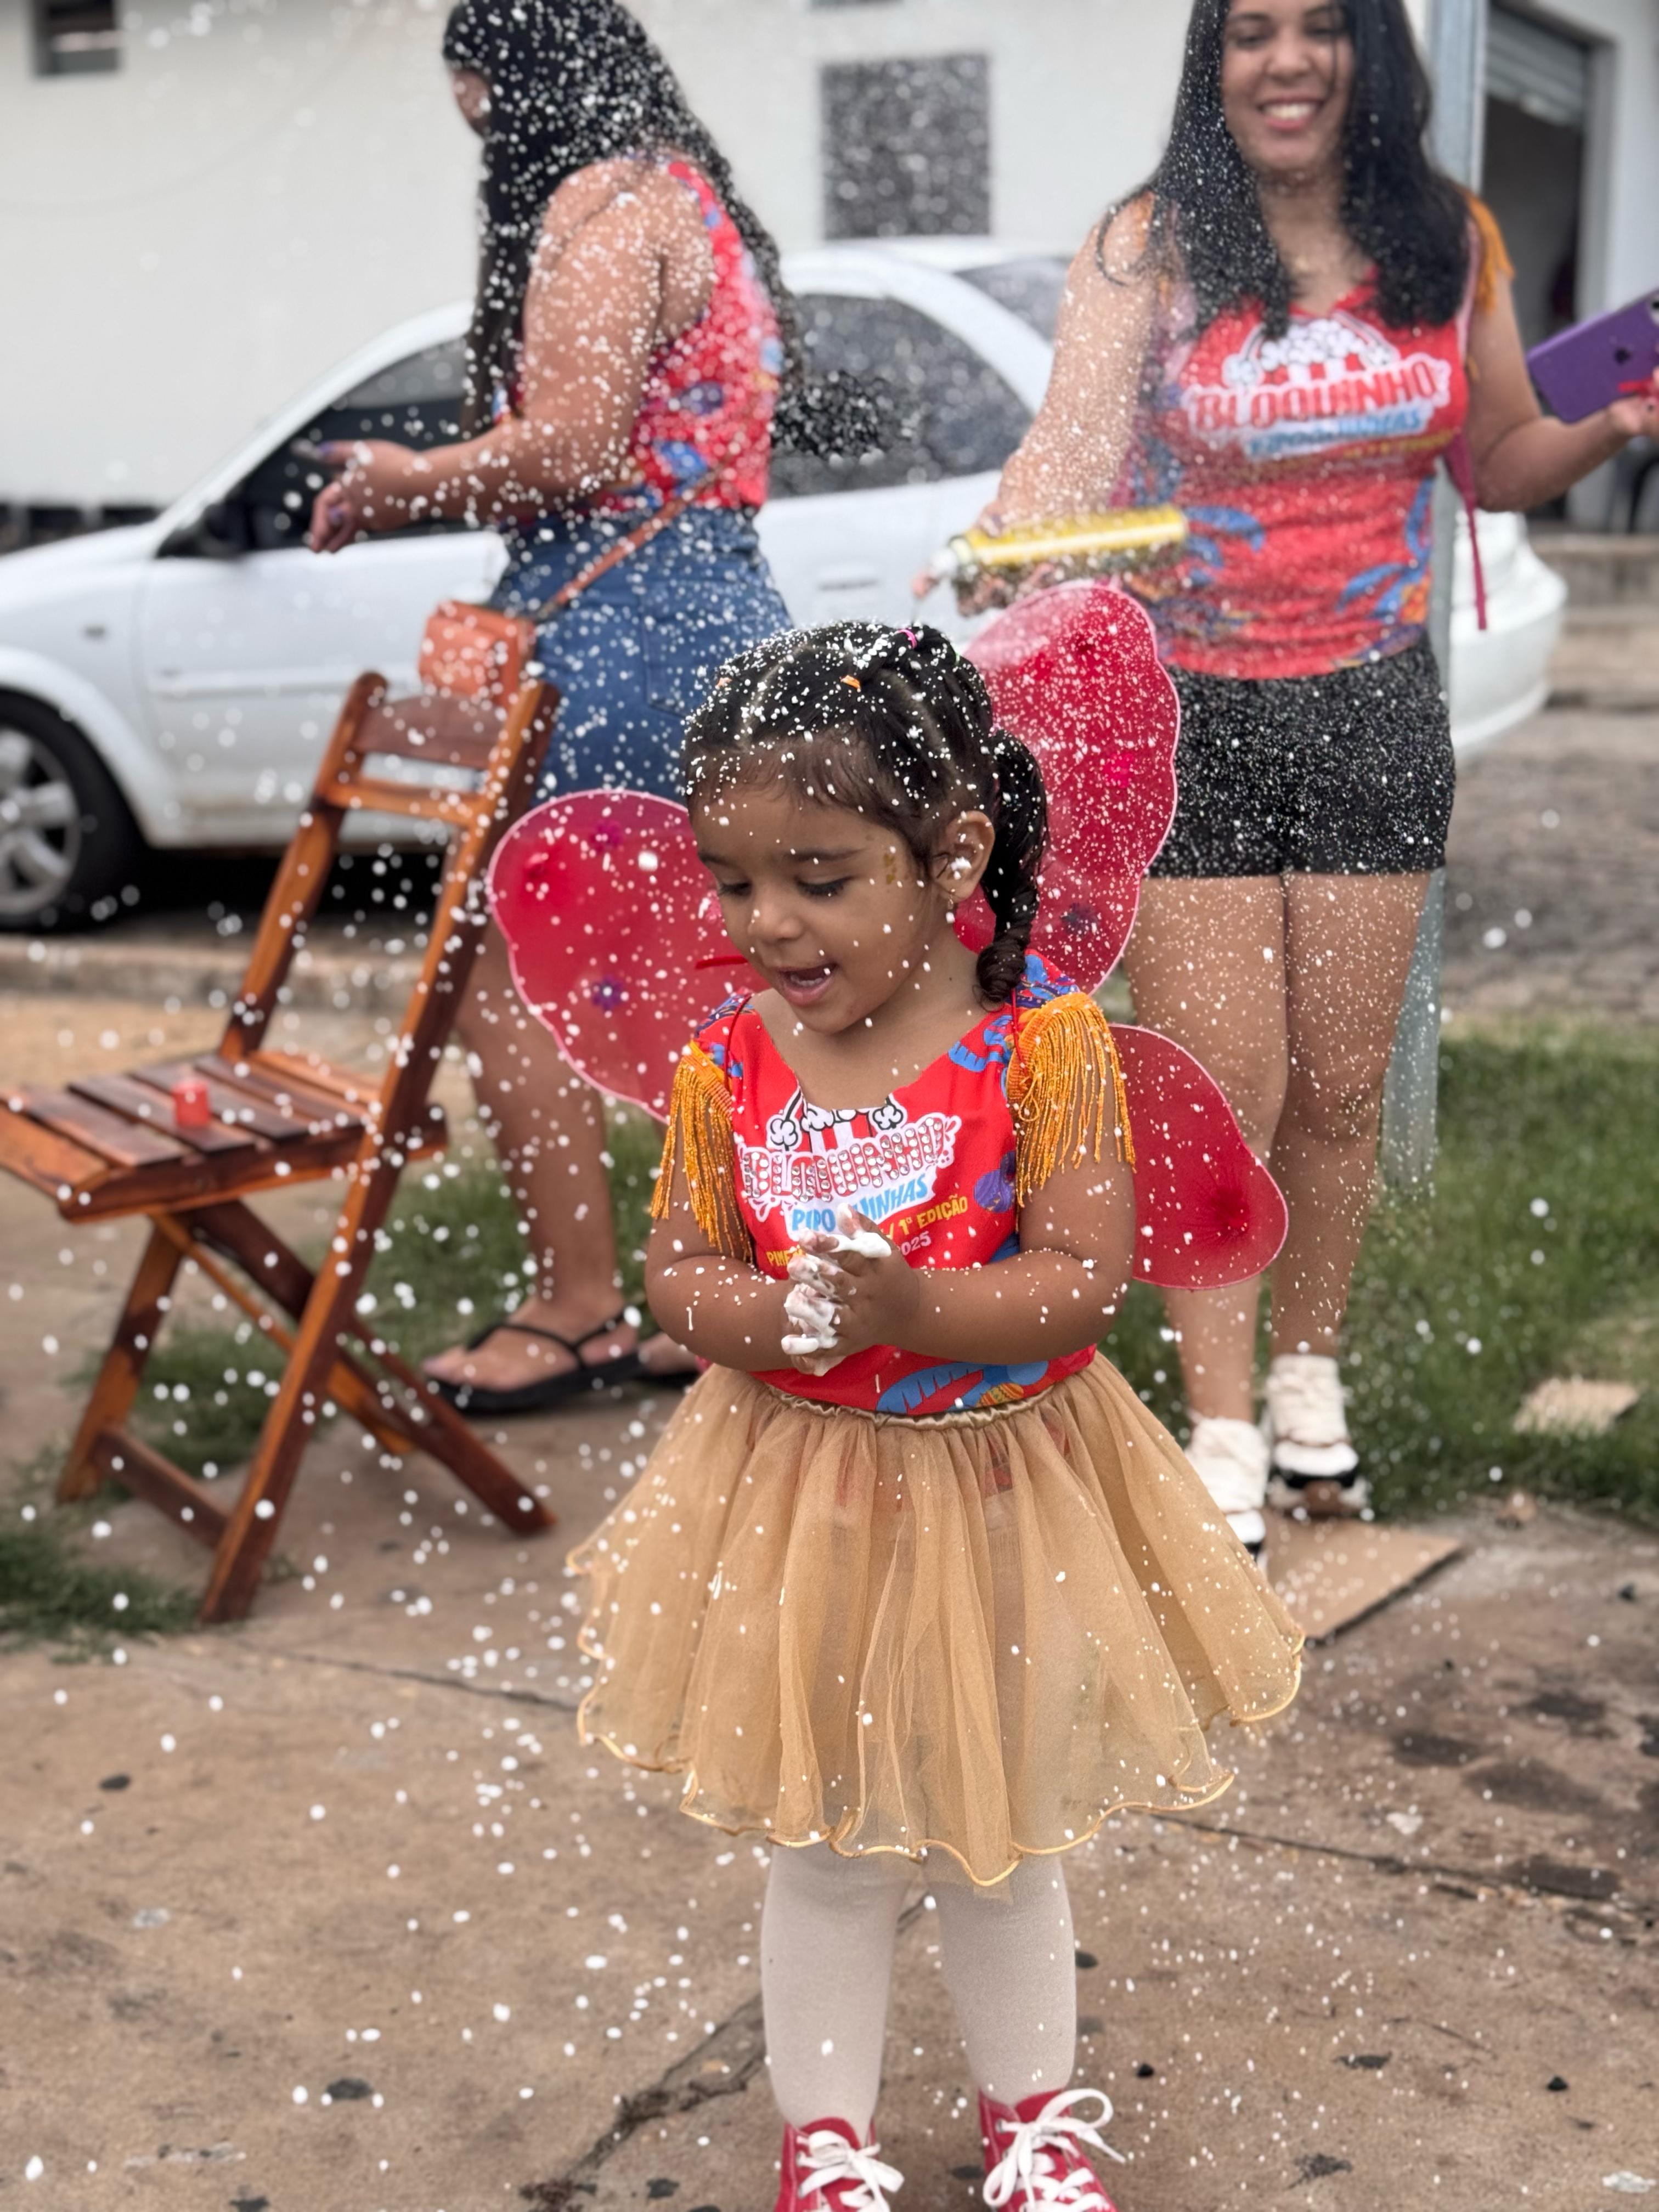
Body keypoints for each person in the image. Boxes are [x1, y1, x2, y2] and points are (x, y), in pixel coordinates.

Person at [566, 622, 1303, 2211]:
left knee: (1004, 1839)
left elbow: (1081, 1283)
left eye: (820, 879)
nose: (768, 922)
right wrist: (765, 1318)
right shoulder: (725, 1068)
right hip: (805, 1496)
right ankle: (823, 2141)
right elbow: (680, 1272)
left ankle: (1032, 2123)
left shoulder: (1041, 1045)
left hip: (1005, 1490)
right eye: (733, 880)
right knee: (827, 1846)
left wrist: (910, 1311)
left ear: (952, 854)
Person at [977, 0, 1659, 1548]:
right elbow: (1068, 452)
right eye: (1249, 33)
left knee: (1342, 1089)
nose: (1284, 61)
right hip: (1187, 717)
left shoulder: (1447, 240)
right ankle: (1221, 1427)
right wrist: (1016, 539)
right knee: (1223, 1089)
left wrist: (1615, 420)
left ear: (1369, 53)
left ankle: (1309, 1384)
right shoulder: (1148, 245)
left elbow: (1496, 460)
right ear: (1211, 65)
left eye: (1318, 29)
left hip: (1374, 706)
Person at [308, 0, 794, 1410]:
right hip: (716, 610)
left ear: (515, 88)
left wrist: (405, 483)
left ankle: (581, 1306)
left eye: (484, 111)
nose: (487, 146)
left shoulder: (601, 209)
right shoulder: (690, 202)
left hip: (619, 625)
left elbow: (573, 447)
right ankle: (729, 1292)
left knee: (505, 972)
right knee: (729, 971)